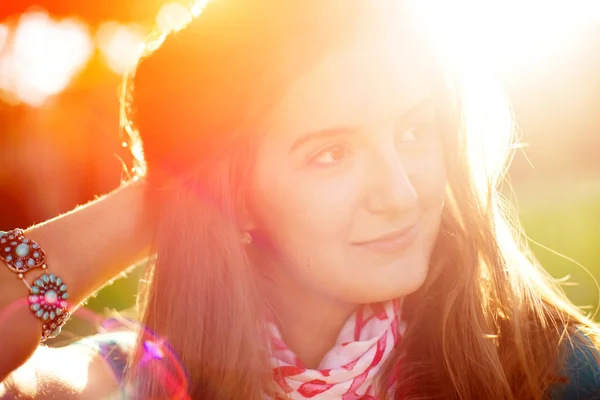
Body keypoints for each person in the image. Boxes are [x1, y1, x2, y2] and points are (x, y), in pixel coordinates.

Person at [1, 1, 599, 399]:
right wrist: (174, 193)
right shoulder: (129, 382)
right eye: (331, 154)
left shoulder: (548, 372)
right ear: (232, 193)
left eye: (415, 132)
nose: (402, 192)